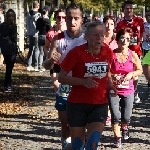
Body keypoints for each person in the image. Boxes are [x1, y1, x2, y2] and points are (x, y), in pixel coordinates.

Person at [58, 21, 114, 150]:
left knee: (92, 143)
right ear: (86, 37)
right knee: (77, 146)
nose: (99, 38)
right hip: (77, 104)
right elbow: (61, 77)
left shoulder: (108, 52)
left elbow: (108, 72)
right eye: (95, 35)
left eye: (101, 35)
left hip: (99, 103)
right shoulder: (76, 53)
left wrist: (110, 84)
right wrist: (83, 81)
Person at [43, 3, 86, 149]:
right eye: (69, 18)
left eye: (76, 18)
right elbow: (47, 65)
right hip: (65, 84)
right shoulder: (58, 39)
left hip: (82, 84)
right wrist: (51, 60)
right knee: (64, 120)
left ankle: (78, 144)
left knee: (80, 123)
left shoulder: (87, 39)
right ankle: (66, 141)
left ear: (82, 20)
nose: (72, 22)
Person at [109, 28, 142, 148]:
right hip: (113, 89)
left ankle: (125, 127)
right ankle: (117, 138)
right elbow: (106, 71)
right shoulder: (111, 54)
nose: (125, 41)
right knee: (115, 114)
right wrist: (112, 76)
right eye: (122, 38)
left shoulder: (132, 54)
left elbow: (140, 70)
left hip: (128, 90)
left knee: (126, 117)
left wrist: (131, 74)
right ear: (118, 40)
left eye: (128, 39)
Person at [114, 0, 145, 103]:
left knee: (135, 74)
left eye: (131, 8)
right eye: (127, 8)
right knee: (122, 72)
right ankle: (120, 89)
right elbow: (116, 35)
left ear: (133, 9)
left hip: (135, 51)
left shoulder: (139, 20)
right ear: (124, 9)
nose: (129, 10)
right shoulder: (120, 22)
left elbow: (143, 33)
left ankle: (133, 91)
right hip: (122, 51)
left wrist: (140, 39)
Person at [43, 8, 66, 92]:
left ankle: (67, 102)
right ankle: (60, 100)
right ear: (55, 18)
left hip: (67, 63)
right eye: (58, 17)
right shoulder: (50, 33)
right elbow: (46, 46)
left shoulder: (70, 32)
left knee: (68, 87)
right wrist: (48, 54)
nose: (61, 19)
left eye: (63, 17)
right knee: (56, 84)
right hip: (55, 62)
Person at [103, 15, 118, 126]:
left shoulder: (117, 38)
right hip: (102, 68)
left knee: (112, 91)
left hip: (114, 69)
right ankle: (106, 113)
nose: (109, 26)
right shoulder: (99, 38)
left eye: (111, 24)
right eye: (107, 23)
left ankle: (111, 112)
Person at [0, 9, 17, 92]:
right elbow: (14, 38)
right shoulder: (14, 26)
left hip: (4, 48)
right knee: (9, 68)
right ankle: (7, 85)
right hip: (12, 49)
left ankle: (8, 84)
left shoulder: (2, 25)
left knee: (8, 67)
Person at [26, 1, 41, 71]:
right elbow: (39, 25)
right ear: (38, 6)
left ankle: (28, 65)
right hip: (36, 34)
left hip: (29, 33)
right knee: (36, 49)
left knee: (30, 49)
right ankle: (36, 65)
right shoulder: (38, 14)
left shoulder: (28, 14)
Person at [36, 7, 51, 72]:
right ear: (47, 12)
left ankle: (39, 66)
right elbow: (50, 29)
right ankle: (46, 65)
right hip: (46, 36)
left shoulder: (39, 20)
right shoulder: (47, 20)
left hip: (40, 36)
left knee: (40, 53)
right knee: (47, 51)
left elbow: (37, 28)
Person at [142, 10, 150, 86]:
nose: (148, 17)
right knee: (146, 64)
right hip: (145, 47)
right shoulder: (143, 25)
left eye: (149, 15)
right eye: (146, 15)